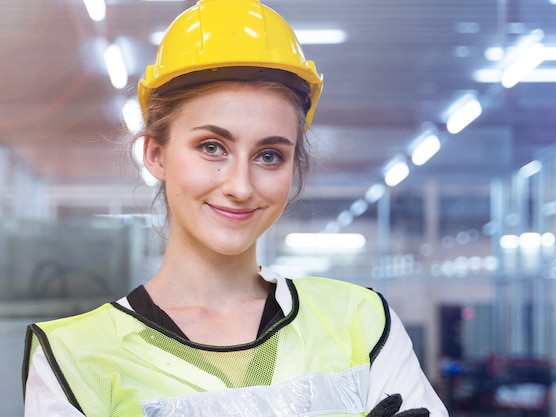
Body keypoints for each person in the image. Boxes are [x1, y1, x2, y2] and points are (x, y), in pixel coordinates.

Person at [22, 1, 449, 416]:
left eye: (269, 156)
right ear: (155, 155)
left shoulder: (361, 322)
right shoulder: (75, 359)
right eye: (212, 147)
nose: (241, 186)